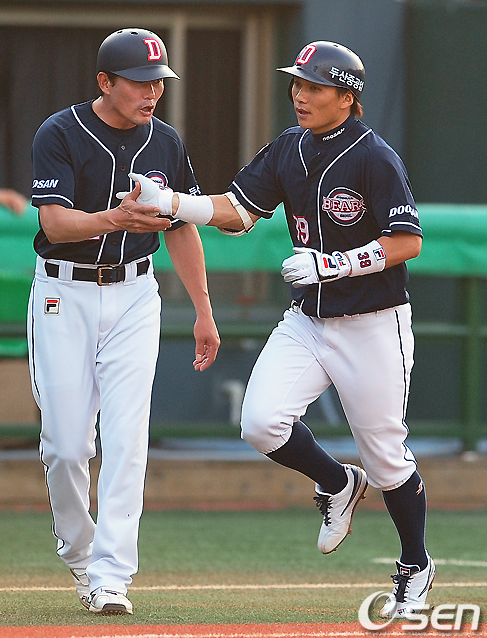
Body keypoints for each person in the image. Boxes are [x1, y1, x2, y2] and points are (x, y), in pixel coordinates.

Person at [125, 40, 435, 619]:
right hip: (307, 320)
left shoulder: (375, 156)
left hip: (373, 323)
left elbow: (407, 242)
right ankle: (338, 483)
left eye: (315, 86)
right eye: (297, 83)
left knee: (386, 456)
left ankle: (415, 565)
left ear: (347, 97)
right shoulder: (288, 147)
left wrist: (337, 263)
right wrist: (172, 203)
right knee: (261, 422)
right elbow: (239, 211)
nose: (300, 94)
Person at [27, 28, 220, 615]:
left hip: (136, 294)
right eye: (138, 81)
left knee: (127, 440)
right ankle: (80, 553)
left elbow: (181, 228)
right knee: (66, 446)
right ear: (105, 82)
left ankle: (111, 576)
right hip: (65, 292)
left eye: (158, 82)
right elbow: (55, 224)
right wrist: (116, 218)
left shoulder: (166, 140)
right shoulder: (60, 131)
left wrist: (204, 311)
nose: (151, 92)